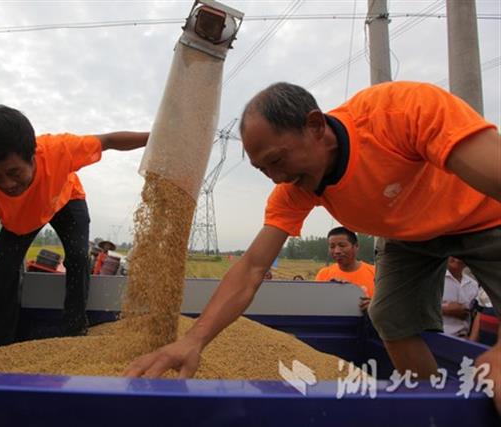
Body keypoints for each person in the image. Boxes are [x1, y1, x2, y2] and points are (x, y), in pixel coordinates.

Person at [124, 81, 501, 411]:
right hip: (409, 236)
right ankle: (434, 406)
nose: (277, 177)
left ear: (316, 126)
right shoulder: (292, 190)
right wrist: (193, 341)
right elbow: (252, 268)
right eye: (263, 170)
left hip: (485, 217)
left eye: (277, 160)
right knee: (389, 315)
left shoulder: (397, 112)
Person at [0, 105, 148, 369]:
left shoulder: (59, 149)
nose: (7, 184)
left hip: (66, 200)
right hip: (22, 219)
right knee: (0, 269)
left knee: (78, 258)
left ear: (33, 155)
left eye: (14, 172)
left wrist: (156, 137)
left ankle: (74, 330)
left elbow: (109, 141)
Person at [315, 227, 375, 311]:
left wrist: (374, 306)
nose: (337, 251)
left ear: (356, 246)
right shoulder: (324, 274)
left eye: (342, 245)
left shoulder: (375, 273)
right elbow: (317, 304)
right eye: (332, 247)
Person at [441, 257, 479, 340]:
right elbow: (414, 306)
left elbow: (476, 315)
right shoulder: (435, 279)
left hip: (462, 339)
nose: (457, 259)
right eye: (453, 255)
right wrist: (444, 309)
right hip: (437, 336)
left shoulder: (473, 285)